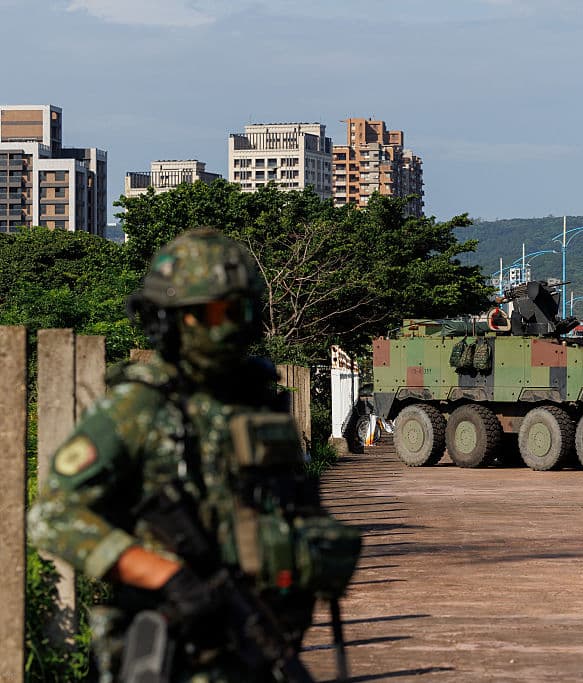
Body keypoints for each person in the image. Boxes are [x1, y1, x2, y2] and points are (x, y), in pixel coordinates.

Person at [29, 227, 361, 682]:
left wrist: (315, 550)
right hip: (170, 648)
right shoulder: (139, 407)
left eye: (237, 310)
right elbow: (53, 515)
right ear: (171, 319)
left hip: (256, 640)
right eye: (210, 313)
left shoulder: (259, 403)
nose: (225, 326)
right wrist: (165, 576)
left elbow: (288, 506)